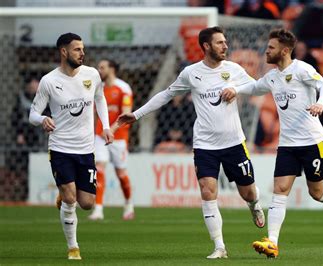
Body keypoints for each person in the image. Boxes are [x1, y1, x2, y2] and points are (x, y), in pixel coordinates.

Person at [115, 26, 265, 259]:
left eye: (225, 42)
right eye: (220, 43)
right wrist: (137, 114)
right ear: (206, 46)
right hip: (205, 144)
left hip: (234, 142)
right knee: (207, 190)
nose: (225, 46)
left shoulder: (233, 69)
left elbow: (257, 87)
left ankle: (254, 204)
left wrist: (235, 87)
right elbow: (166, 94)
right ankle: (219, 247)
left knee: (247, 191)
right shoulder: (191, 73)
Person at [221, 28, 323, 259]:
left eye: (271, 47)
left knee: (317, 192)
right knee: (280, 190)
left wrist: (321, 104)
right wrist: (235, 89)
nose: (266, 51)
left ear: (284, 50)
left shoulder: (302, 69)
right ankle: (272, 241)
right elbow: (254, 87)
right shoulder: (272, 76)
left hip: (312, 141)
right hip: (287, 145)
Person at [28, 33, 113, 260]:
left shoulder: (92, 75)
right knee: (71, 198)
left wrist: (105, 126)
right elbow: (33, 113)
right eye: (77, 49)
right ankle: (73, 248)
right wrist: (42, 120)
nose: (82, 53)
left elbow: (100, 99)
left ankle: (64, 194)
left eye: (82, 49)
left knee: (87, 203)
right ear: (64, 52)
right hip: (60, 148)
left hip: (86, 150)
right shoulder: (49, 81)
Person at [88, 59, 134, 221]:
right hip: (100, 136)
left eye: (102, 67)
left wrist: (112, 130)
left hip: (119, 137)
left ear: (112, 69)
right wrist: (92, 134)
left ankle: (128, 203)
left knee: (121, 173)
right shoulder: (96, 88)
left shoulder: (123, 88)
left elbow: (126, 115)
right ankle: (98, 209)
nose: (99, 70)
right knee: (99, 168)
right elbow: (93, 114)